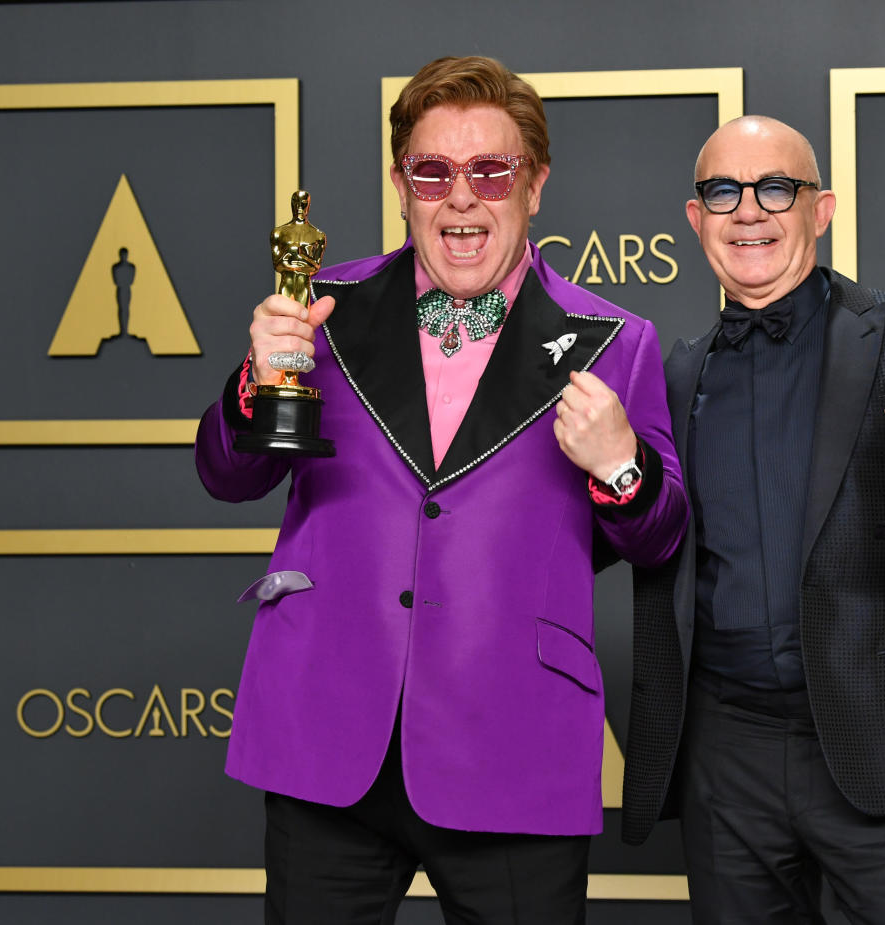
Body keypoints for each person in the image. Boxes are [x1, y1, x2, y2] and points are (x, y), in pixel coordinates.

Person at [195, 55, 688, 924]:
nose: (462, 198)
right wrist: (253, 383)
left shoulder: (619, 340)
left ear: (533, 184)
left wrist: (619, 464)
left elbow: (659, 537)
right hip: (326, 732)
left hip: (514, 745)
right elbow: (226, 474)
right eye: (434, 172)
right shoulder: (322, 308)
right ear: (401, 186)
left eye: (490, 171)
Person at [621, 115, 885, 924]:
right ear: (694, 217)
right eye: (723, 191)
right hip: (726, 757)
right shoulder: (672, 372)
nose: (749, 211)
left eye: (777, 187)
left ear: (823, 208)